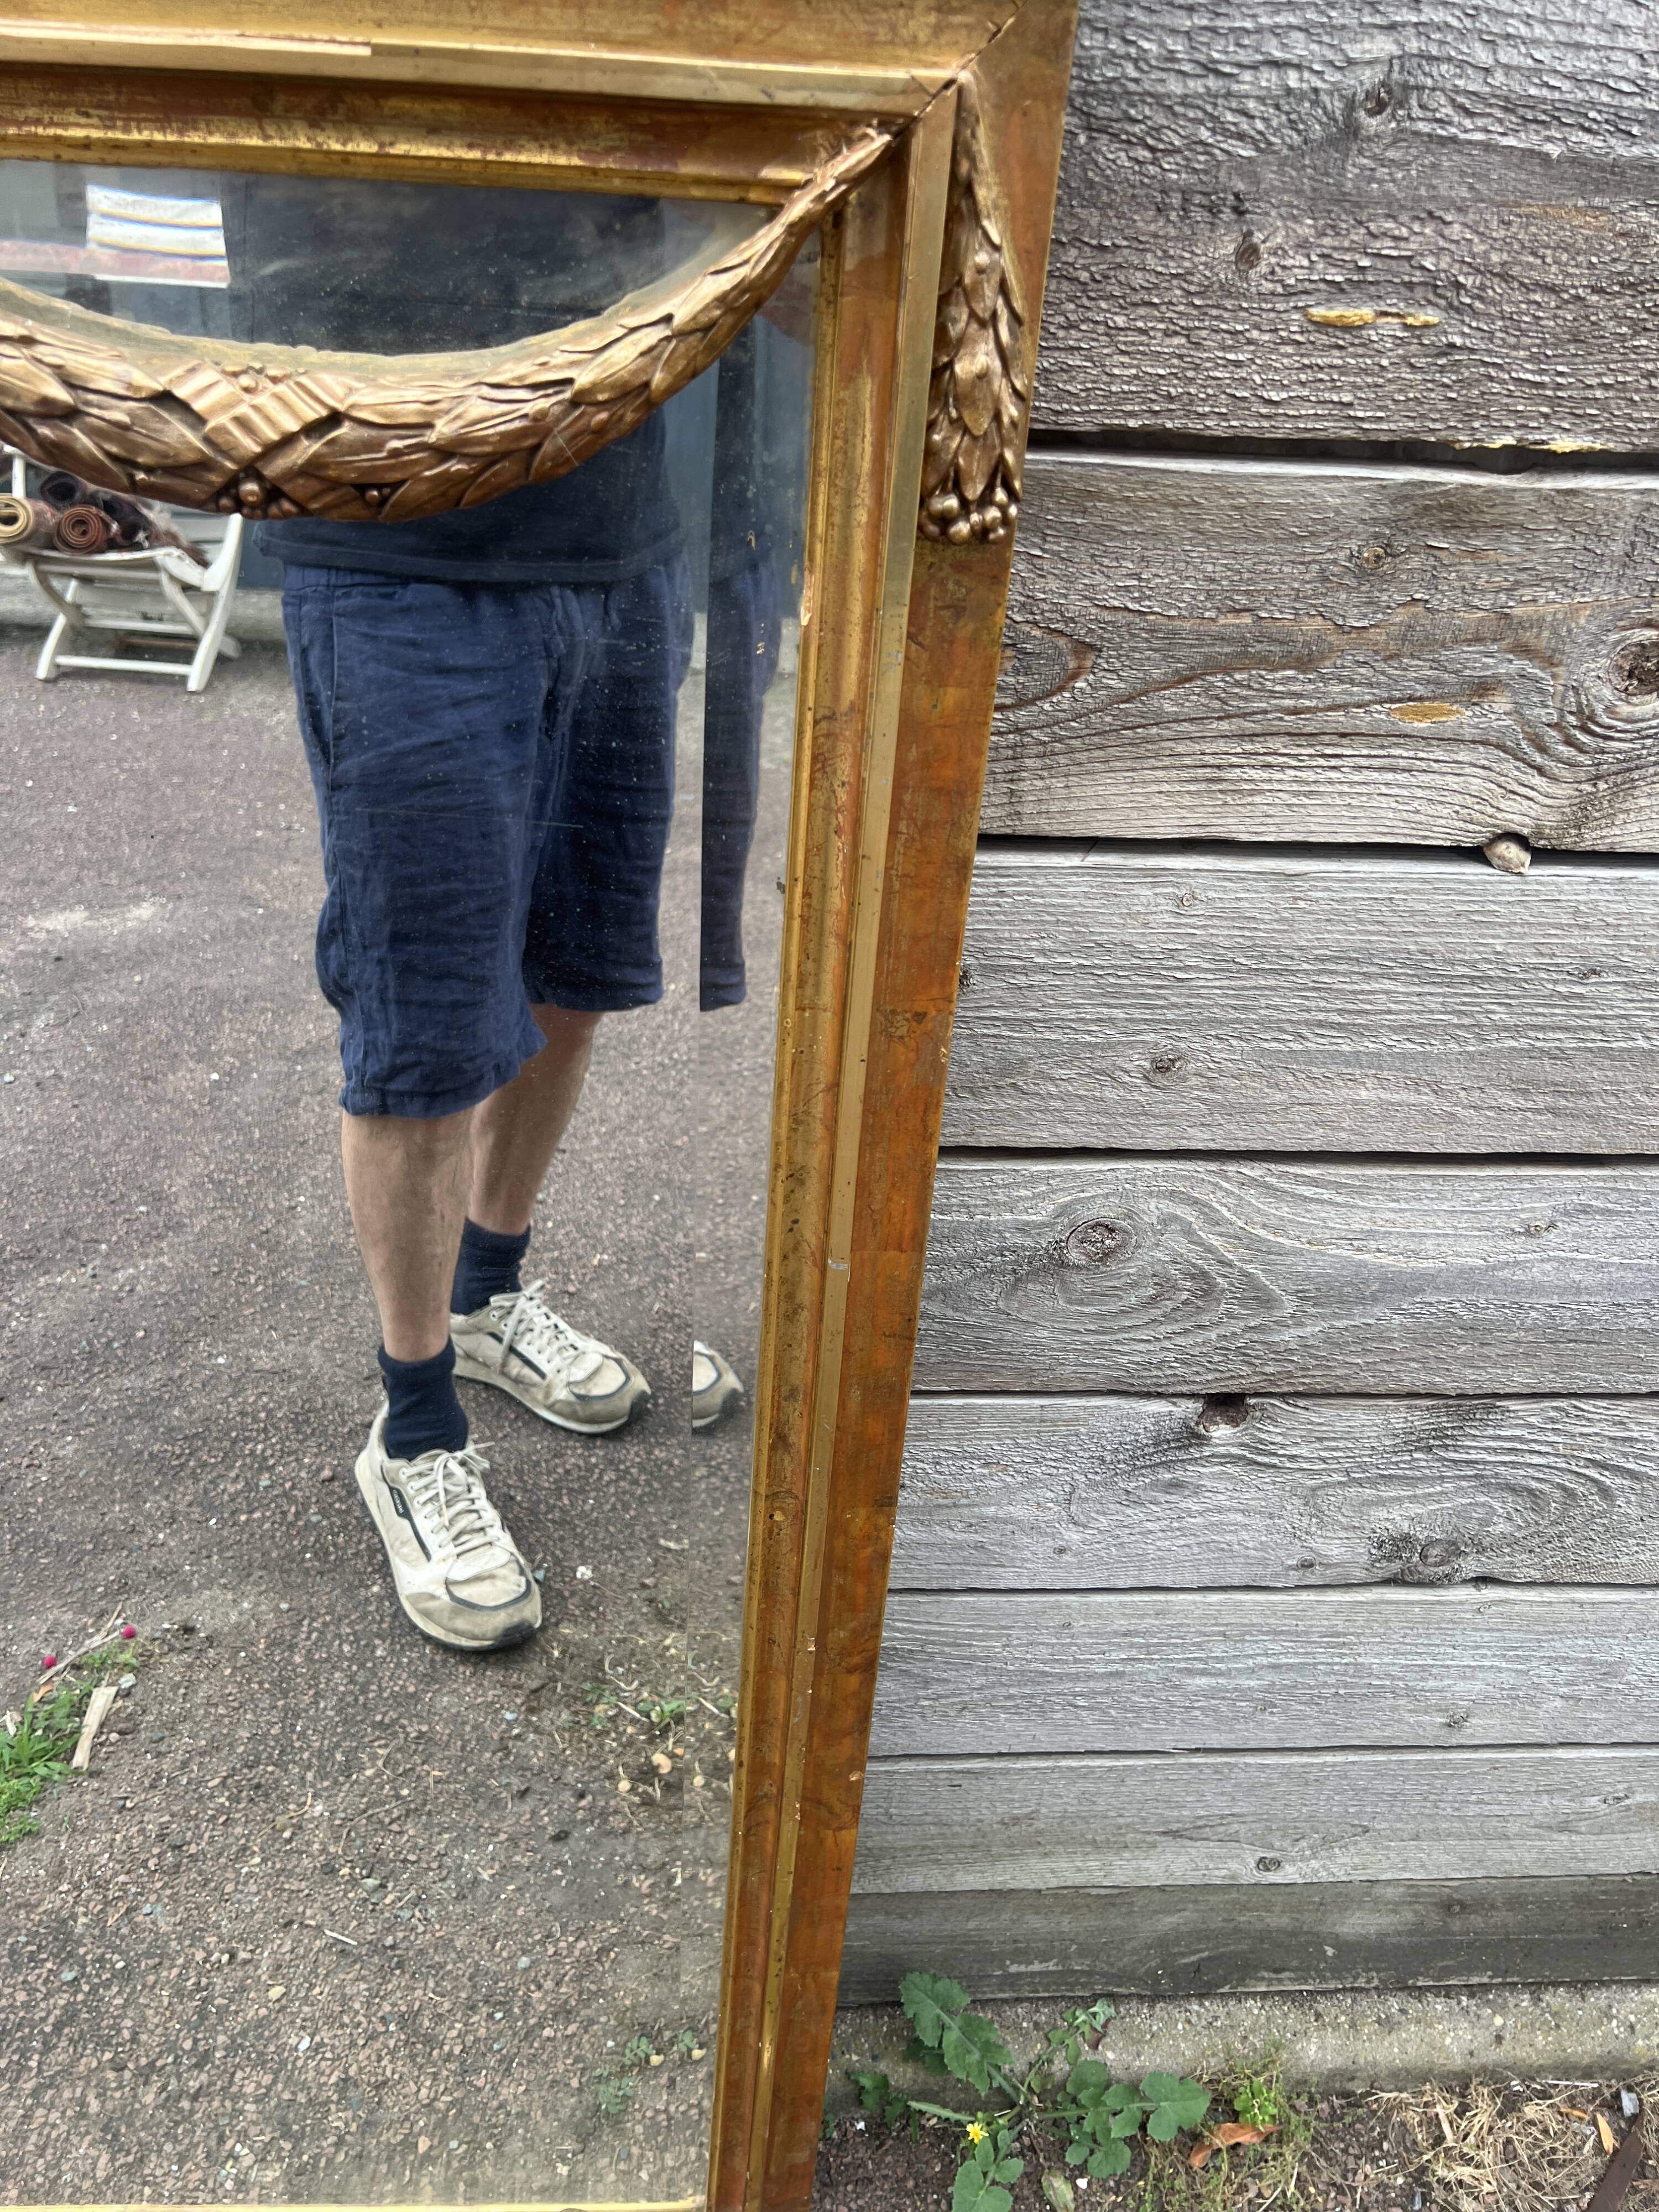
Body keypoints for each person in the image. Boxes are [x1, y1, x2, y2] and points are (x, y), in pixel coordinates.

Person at [233, 174, 696, 1652]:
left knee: (574, 971)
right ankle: (416, 1427)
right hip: (397, 535)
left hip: (622, 535)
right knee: (423, 1027)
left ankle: (489, 1294)